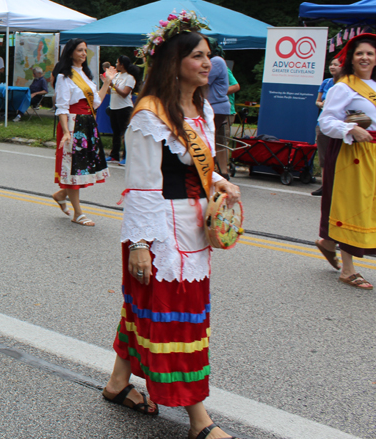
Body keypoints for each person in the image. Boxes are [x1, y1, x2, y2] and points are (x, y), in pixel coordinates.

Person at [103, 11, 242, 439]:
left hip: (194, 225)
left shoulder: (200, 109)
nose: (207, 63)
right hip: (159, 230)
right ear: (174, 62)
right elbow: (142, 186)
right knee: (176, 319)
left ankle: (116, 383)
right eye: (197, 56)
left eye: (208, 56)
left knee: (146, 307)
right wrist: (141, 245)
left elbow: (199, 166)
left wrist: (221, 181)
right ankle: (199, 420)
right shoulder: (150, 115)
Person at [316, 33, 376, 290]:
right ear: (351, 58)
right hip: (352, 154)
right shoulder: (344, 86)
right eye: (359, 53)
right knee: (351, 206)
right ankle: (348, 270)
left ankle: (328, 243)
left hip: (373, 153)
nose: (365, 57)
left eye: (370, 53)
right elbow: (326, 122)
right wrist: (350, 130)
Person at [52, 38, 114, 227]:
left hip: (87, 124)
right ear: (70, 52)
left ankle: (62, 195)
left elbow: (96, 103)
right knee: (73, 169)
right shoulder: (65, 77)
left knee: (82, 168)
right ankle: (78, 213)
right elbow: (62, 107)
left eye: (85, 51)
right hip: (72, 124)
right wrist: (66, 132)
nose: (83, 54)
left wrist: (107, 82)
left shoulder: (86, 76)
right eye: (79, 50)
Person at [311, 58, 342, 196]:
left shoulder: (349, 84)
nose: (332, 66)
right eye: (331, 64)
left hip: (341, 125)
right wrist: (321, 104)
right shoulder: (326, 82)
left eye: (336, 64)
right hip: (323, 124)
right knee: (324, 157)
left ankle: (339, 186)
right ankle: (325, 186)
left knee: (339, 157)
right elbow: (317, 101)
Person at [107, 56, 140, 165]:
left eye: (117, 62)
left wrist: (114, 86)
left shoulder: (130, 78)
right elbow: (109, 92)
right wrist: (107, 83)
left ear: (122, 64)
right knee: (115, 133)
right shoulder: (116, 75)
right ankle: (114, 155)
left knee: (125, 133)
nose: (116, 64)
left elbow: (125, 93)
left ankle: (126, 156)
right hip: (114, 107)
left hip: (124, 108)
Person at [206, 40, 231, 179]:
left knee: (209, 139)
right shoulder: (217, 60)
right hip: (214, 106)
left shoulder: (216, 61)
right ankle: (216, 172)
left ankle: (211, 173)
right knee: (212, 139)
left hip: (216, 106)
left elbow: (203, 79)